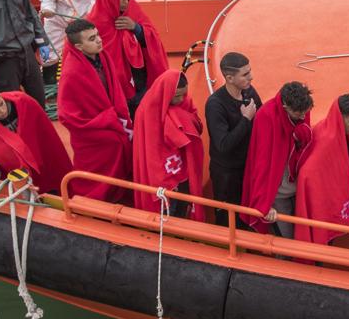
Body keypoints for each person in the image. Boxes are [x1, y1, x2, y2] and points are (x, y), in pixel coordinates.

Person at [58, 18, 132, 202]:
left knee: (122, 144)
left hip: (111, 119)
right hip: (92, 132)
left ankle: (118, 192)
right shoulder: (71, 73)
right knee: (111, 147)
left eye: (97, 35)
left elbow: (114, 89)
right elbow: (67, 116)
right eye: (92, 39)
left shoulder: (102, 56)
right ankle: (93, 198)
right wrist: (107, 119)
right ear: (79, 47)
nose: (99, 40)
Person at [86, 0, 168, 115]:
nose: (125, 1)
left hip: (139, 78)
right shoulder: (95, 22)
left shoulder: (132, 8)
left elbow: (152, 37)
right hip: (114, 85)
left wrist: (136, 28)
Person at [240, 81, 313, 237]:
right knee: (287, 241)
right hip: (278, 196)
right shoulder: (266, 116)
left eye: (305, 112)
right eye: (299, 113)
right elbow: (261, 163)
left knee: (304, 236)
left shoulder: (301, 107)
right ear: (285, 106)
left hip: (298, 190)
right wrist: (264, 204)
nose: (303, 116)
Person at [0, 86, 72, 194]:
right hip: (21, 165)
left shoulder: (23, 101)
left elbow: (43, 128)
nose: (2, 111)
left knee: (52, 164)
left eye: (1, 103)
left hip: (36, 145)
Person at [132, 71, 206, 220]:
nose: (181, 99)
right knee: (167, 214)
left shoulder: (183, 101)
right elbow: (152, 153)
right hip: (165, 176)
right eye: (177, 96)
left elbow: (197, 124)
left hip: (183, 168)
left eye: (183, 94)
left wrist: (180, 117)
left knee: (183, 208)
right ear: (166, 92)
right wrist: (166, 181)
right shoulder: (147, 112)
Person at [294, 94, 349, 244]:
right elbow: (309, 173)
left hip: (323, 201)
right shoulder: (329, 140)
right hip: (320, 203)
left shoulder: (324, 126)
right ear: (339, 118)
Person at [204, 52, 261, 223]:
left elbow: (263, 116)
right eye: (245, 74)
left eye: (249, 71)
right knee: (228, 220)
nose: (251, 77)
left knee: (248, 214)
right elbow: (223, 144)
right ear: (229, 78)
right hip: (227, 175)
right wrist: (245, 119)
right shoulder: (215, 105)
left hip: (248, 167)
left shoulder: (249, 91)